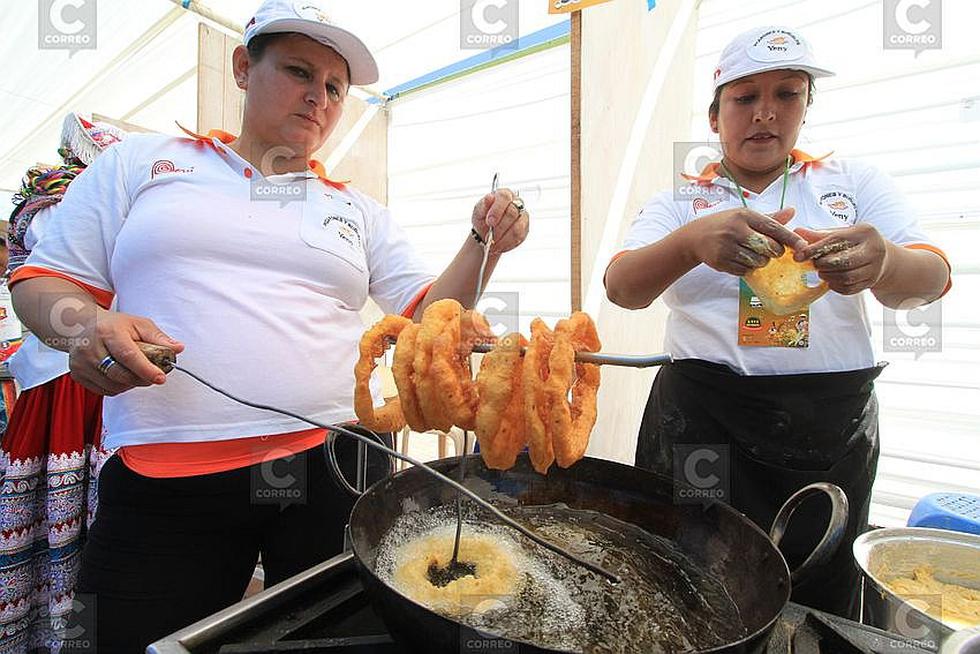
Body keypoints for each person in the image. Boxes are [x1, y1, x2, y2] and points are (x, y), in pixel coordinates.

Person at [8, 1, 529, 650]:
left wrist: (484, 241)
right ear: (242, 68)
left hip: (341, 463)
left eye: (336, 87)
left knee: (336, 635)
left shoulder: (355, 209)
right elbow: (43, 284)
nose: (319, 97)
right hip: (167, 475)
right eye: (298, 71)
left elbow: (424, 317)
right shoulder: (143, 164)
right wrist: (83, 328)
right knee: (131, 638)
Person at [604, 25, 950, 619]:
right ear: (715, 118)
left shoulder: (853, 185)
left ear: (807, 107)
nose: (765, 114)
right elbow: (622, 288)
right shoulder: (680, 204)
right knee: (691, 569)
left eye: (787, 94)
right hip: (703, 423)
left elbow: (931, 281)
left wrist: (884, 261)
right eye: (744, 98)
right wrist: (691, 242)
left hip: (826, 428)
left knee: (815, 580)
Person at [0, 113, 124, 654]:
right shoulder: (57, 203)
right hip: (65, 377)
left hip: (97, 368)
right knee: (62, 502)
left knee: (95, 504)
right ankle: (56, 626)